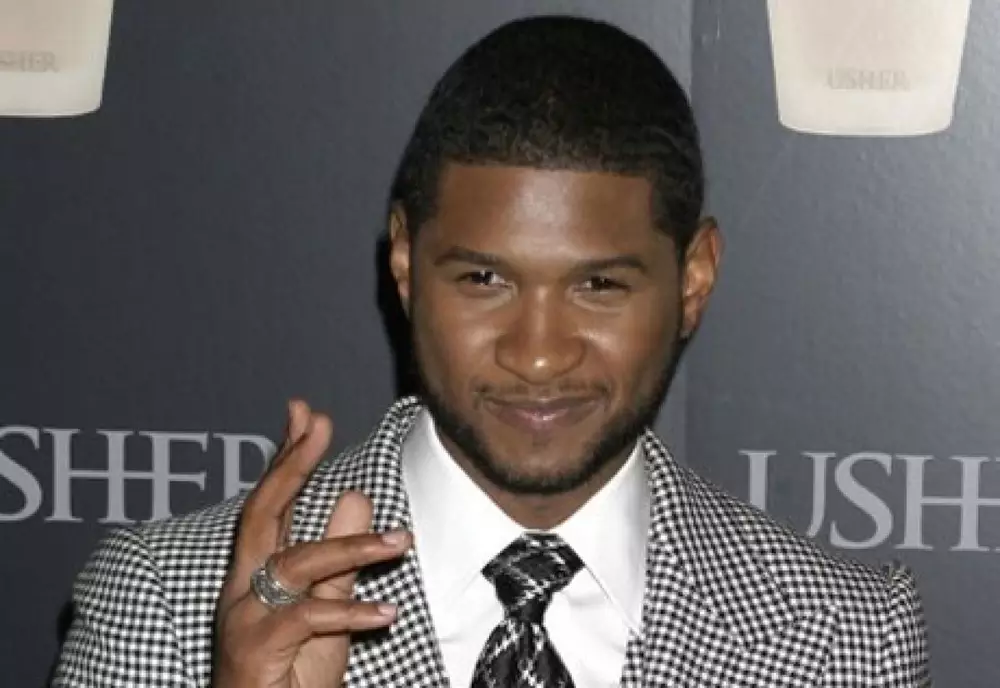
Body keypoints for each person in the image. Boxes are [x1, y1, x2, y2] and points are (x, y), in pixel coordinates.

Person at [53, 15, 930, 688]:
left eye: (599, 285)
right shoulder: (169, 606)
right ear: (405, 265)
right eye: (483, 279)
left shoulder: (843, 636)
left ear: (693, 279)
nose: (537, 356)